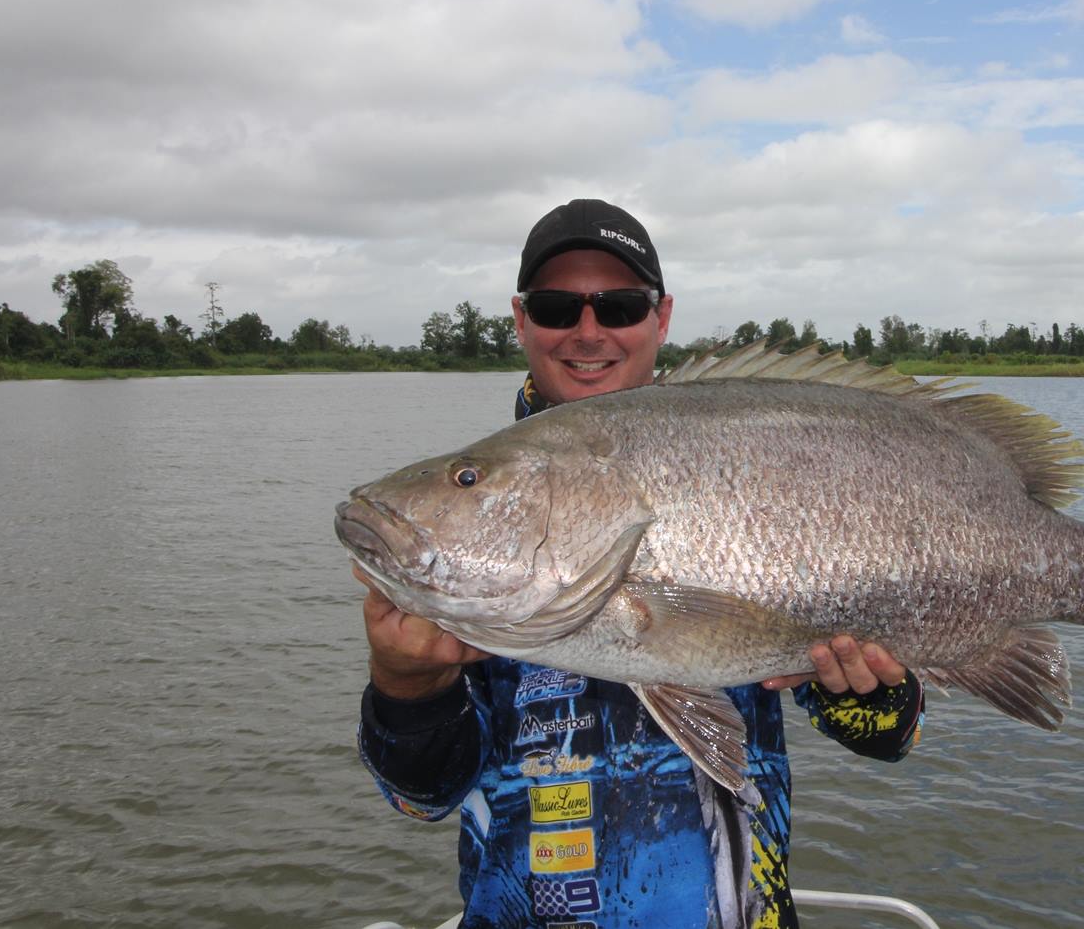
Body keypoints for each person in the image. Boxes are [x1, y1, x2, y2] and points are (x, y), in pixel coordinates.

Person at [356, 198, 925, 929]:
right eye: (558, 307)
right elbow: (422, 796)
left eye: (619, 305)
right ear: (521, 319)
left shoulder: (751, 452)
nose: (588, 332)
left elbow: (890, 736)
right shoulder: (475, 557)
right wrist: (408, 687)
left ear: (660, 319)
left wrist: (866, 685)